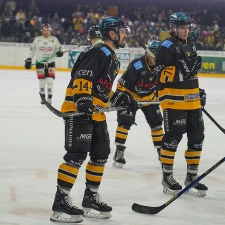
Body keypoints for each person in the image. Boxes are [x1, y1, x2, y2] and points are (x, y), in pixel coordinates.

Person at [50, 17, 135, 223]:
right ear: (112, 34)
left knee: (101, 153)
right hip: (78, 110)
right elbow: (82, 75)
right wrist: (82, 100)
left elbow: (102, 87)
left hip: (96, 112)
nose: (126, 34)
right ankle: (60, 202)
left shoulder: (112, 56)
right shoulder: (99, 50)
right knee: (77, 154)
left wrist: (120, 98)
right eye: (122, 31)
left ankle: (90, 198)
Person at [154, 12, 207, 197]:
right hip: (174, 99)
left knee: (197, 137)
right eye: (183, 28)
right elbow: (160, 76)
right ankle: (167, 176)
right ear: (174, 28)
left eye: (188, 28)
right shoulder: (166, 46)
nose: (186, 31)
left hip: (192, 100)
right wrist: (182, 72)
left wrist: (198, 91)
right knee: (173, 138)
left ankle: (191, 177)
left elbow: (191, 73)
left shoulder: (190, 45)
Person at [112, 36, 163, 169]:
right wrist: (124, 99)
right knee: (124, 123)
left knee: (157, 124)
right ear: (148, 53)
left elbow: (163, 84)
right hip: (131, 96)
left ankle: (161, 152)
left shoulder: (163, 66)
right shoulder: (137, 65)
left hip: (149, 98)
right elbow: (122, 85)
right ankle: (119, 151)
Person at [25, 23, 63, 105]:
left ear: (50, 31)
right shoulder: (37, 39)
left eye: (48, 31)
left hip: (51, 62)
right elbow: (32, 51)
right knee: (41, 80)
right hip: (40, 62)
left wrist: (59, 52)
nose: (46, 32)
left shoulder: (54, 39)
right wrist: (28, 59)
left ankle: (49, 97)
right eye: (45, 30)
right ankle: (42, 97)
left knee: (50, 80)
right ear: (42, 31)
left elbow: (58, 49)